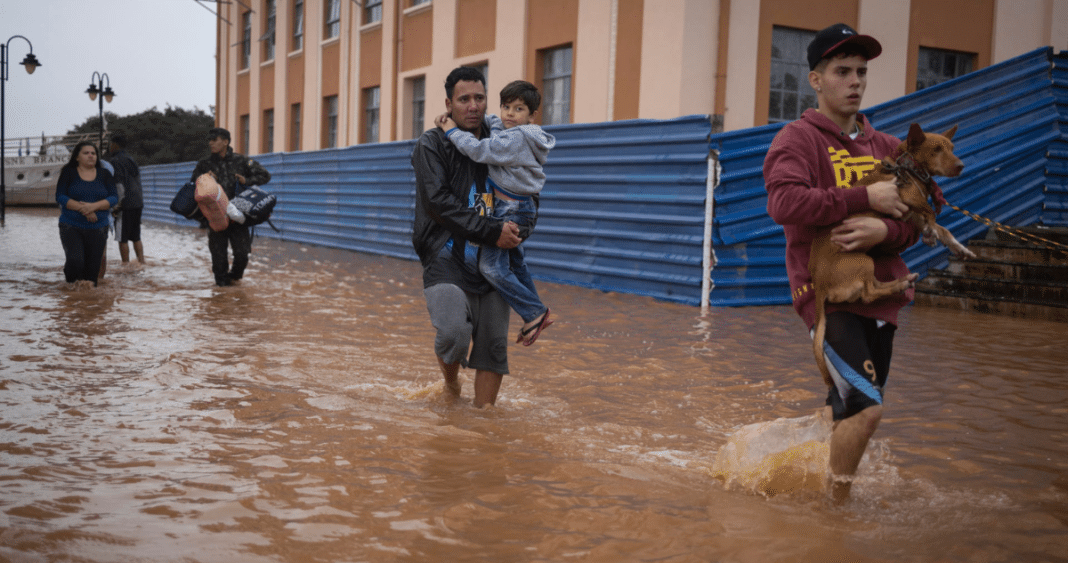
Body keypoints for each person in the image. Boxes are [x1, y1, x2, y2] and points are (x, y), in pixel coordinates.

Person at [762, 23, 919, 503]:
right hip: (827, 297)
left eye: (861, 72)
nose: (855, 81)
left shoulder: (890, 148)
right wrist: (863, 197)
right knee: (867, 412)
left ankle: (778, 463)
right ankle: (834, 516)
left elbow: (918, 221)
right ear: (815, 79)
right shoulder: (797, 140)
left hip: (883, 298)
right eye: (841, 71)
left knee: (846, 408)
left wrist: (885, 230)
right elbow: (784, 204)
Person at [411, 66, 523, 407]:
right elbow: (439, 203)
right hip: (446, 256)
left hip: (495, 259)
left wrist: (519, 231)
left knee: (492, 347)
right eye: (464, 99)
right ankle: (451, 384)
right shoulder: (432, 145)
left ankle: (484, 423)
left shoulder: (502, 140)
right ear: (449, 104)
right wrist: (493, 229)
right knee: (453, 333)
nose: (473, 106)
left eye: (479, 97)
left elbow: (529, 191)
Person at [435, 80, 556, 346]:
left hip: (512, 209)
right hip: (516, 206)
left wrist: (451, 129)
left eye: (519, 109)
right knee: (515, 262)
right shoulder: (512, 130)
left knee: (490, 266)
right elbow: (495, 123)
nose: (510, 114)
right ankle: (537, 312)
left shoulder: (516, 139)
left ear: (532, 116)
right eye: (506, 107)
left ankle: (533, 313)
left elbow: (479, 150)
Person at [189, 127, 271, 287]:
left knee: (242, 255)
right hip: (215, 218)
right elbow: (193, 185)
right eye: (209, 140)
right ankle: (222, 298)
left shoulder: (241, 161)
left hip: (238, 217)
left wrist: (246, 181)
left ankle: (234, 280)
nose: (210, 143)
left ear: (225, 142)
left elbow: (265, 175)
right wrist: (204, 178)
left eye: (214, 139)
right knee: (218, 260)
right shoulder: (204, 164)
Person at [56, 141, 118, 288]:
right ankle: (70, 297)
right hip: (71, 225)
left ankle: (88, 307)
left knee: (92, 274)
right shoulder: (68, 172)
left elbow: (113, 197)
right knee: (75, 262)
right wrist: (83, 209)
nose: (91, 156)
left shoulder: (105, 174)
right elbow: (60, 196)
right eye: (86, 153)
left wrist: (94, 207)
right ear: (77, 157)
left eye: (93, 153)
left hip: (98, 227)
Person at [107, 133, 145, 268]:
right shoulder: (130, 159)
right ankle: (142, 263)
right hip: (138, 203)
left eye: (110, 144)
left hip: (125, 204)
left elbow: (119, 185)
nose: (109, 146)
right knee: (136, 236)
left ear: (115, 145)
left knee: (121, 237)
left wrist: (117, 205)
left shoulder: (115, 161)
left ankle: (125, 266)